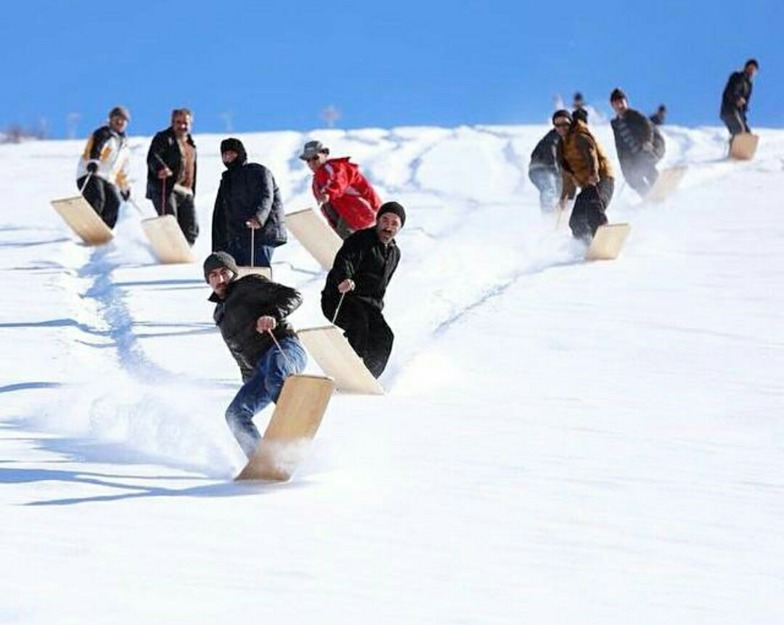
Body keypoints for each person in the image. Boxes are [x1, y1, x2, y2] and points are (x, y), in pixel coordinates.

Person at [204, 251, 307, 458]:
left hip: (285, 348)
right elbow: (238, 353)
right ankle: (261, 460)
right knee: (235, 414)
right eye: (213, 275)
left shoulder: (249, 285)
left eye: (224, 272)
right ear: (208, 280)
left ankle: (296, 438)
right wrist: (249, 382)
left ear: (233, 273)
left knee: (275, 376)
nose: (220, 279)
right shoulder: (219, 314)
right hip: (259, 370)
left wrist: (273, 315)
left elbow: (294, 296)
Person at [321, 201, 404, 378]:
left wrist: (377, 307)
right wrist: (344, 279)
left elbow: (382, 284)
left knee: (385, 336)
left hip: (369, 306)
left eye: (394, 223)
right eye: (385, 220)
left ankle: (368, 376)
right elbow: (344, 261)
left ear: (400, 227)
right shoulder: (360, 239)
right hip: (340, 298)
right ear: (378, 220)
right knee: (359, 325)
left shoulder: (395, 253)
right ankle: (345, 369)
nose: (388, 227)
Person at [211, 138, 287, 268]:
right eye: (225, 154)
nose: (228, 157)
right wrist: (218, 245)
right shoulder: (226, 180)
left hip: (262, 232)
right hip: (238, 237)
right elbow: (220, 214)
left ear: (240, 153)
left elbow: (266, 195)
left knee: (258, 271)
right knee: (238, 276)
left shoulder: (257, 171)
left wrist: (259, 217)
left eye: (232, 153)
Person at [300, 140, 382, 239]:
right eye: (308, 160)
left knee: (347, 239)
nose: (312, 162)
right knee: (343, 239)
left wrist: (328, 193)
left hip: (359, 212)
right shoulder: (317, 180)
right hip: (346, 217)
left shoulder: (335, 167)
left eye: (315, 158)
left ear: (324, 154)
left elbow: (338, 182)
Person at [553, 109, 614, 241]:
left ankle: (604, 236)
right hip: (587, 185)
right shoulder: (561, 147)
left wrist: (593, 173)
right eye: (558, 125)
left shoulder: (579, 135)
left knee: (593, 206)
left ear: (571, 123)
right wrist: (564, 197)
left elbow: (590, 153)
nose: (562, 128)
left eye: (565, 124)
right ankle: (586, 245)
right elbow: (567, 174)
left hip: (602, 178)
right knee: (575, 221)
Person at [145, 108, 199, 245]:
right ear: (172, 122)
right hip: (166, 187)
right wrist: (160, 168)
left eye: (185, 123)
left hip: (186, 191)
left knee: (191, 228)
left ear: (190, 124)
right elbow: (153, 156)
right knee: (170, 222)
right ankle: (167, 248)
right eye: (178, 122)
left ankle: (184, 252)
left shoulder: (191, 145)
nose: (182, 126)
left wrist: (193, 191)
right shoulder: (163, 138)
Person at [75, 106, 132, 228]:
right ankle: (89, 225)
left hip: (108, 179)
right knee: (97, 198)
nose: (120, 122)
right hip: (90, 174)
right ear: (111, 119)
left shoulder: (124, 147)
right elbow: (95, 147)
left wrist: (124, 187)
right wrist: (93, 161)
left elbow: (121, 170)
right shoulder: (103, 133)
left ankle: (105, 230)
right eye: (117, 119)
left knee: (114, 203)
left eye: (123, 120)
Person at [609, 88, 664, 197]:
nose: (619, 106)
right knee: (632, 177)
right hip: (634, 155)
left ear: (626, 102)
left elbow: (647, 126)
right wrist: (625, 168)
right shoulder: (617, 125)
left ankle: (659, 186)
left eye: (621, 102)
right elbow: (620, 148)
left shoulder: (633, 115)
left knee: (645, 165)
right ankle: (646, 195)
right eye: (616, 103)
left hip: (650, 147)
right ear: (613, 106)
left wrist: (647, 141)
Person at [720, 58, 758, 141]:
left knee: (748, 135)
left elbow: (745, 103)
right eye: (750, 68)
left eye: (754, 70)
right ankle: (734, 150)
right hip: (729, 110)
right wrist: (737, 98)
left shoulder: (749, 85)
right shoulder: (737, 76)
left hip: (738, 113)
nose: (752, 71)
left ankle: (742, 151)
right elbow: (730, 91)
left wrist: (743, 114)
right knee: (739, 130)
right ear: (746, 67)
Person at [528, 128, 562, 212]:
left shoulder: (564, 140)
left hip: (548, 169)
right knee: (549, 188)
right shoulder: (553, 137)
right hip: (540, 168)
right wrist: (555, 169)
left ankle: (558, 214)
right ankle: (548, 214)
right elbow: (550, 152)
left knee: (559, 190)